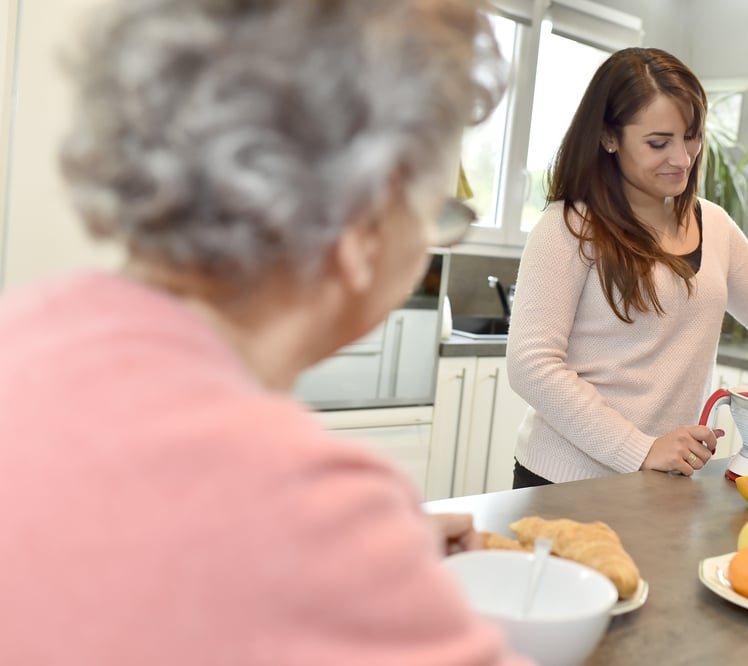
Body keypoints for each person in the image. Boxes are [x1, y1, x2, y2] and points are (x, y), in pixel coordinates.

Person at [0, 1, 531, 664]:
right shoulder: (307, 509)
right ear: (365, 217)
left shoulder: (21, 329)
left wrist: (364, 565)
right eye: (437, 212)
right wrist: (355, 564)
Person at [505, 47, 748, 488]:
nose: (683, 159)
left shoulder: (713, 224)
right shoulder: (568, 227)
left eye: (692, 136)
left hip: (665, 480)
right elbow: (532, 366)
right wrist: (639, 448)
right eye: (659, 143)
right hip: (567, 483)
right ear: (609, 137)